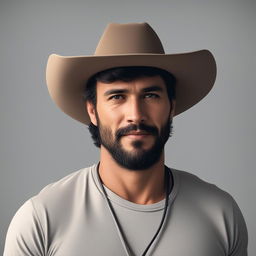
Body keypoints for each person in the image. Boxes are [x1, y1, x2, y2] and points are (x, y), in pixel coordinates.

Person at [4, 23, 248, 256]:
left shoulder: (220, 213)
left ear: (171, 106)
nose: (136, 115)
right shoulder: (42, 219)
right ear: (92, 111)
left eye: (150, 95)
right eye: (117, 96)